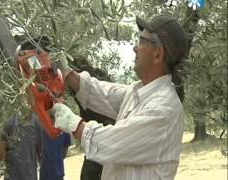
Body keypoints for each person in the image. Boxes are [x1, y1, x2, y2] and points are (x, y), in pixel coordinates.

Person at [51, 15, 188, 180]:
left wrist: (71, 122)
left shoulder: (163, 109)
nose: (135, 48)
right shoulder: (138, 93)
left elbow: (107, 143)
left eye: (142, 41)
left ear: (158, 54)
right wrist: (65, 72)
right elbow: (104, 94)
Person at [36, 116, 71, 180]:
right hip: (45, 174)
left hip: (59, 173)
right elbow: (37, 148)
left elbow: (66, 146)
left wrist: (58, 158)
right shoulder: (40, 127)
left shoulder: (63, 128)